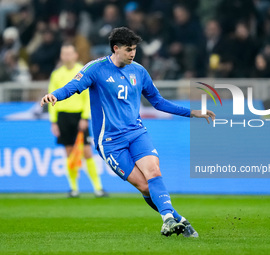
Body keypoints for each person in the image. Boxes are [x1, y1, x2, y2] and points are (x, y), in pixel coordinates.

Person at [41, 27, 215, 237]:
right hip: (110, 142)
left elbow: (158, 102)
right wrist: (55, 96)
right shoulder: (96, 69)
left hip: (136, 133)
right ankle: (179, 220)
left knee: (153, 171)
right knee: (144, 186)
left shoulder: (139, 71)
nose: (133, 53)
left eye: (134, 49)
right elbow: (72, 86)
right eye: (129, 49)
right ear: (116, 48)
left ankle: (167, 219)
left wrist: (192, 113)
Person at [48, 43, 108, 198]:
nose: (67, 56)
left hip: (79, 116)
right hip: (63, 116)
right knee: (69, 153)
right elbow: (51, 98)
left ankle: (98, 188)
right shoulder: (56, 74)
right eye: (64, 53)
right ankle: (74, 188)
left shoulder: (82, 71)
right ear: (61, 56)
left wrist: (84, 117)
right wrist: (54, 121)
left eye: (69, 53)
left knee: (87, 151)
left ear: (75, 55)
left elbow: (88, 97)